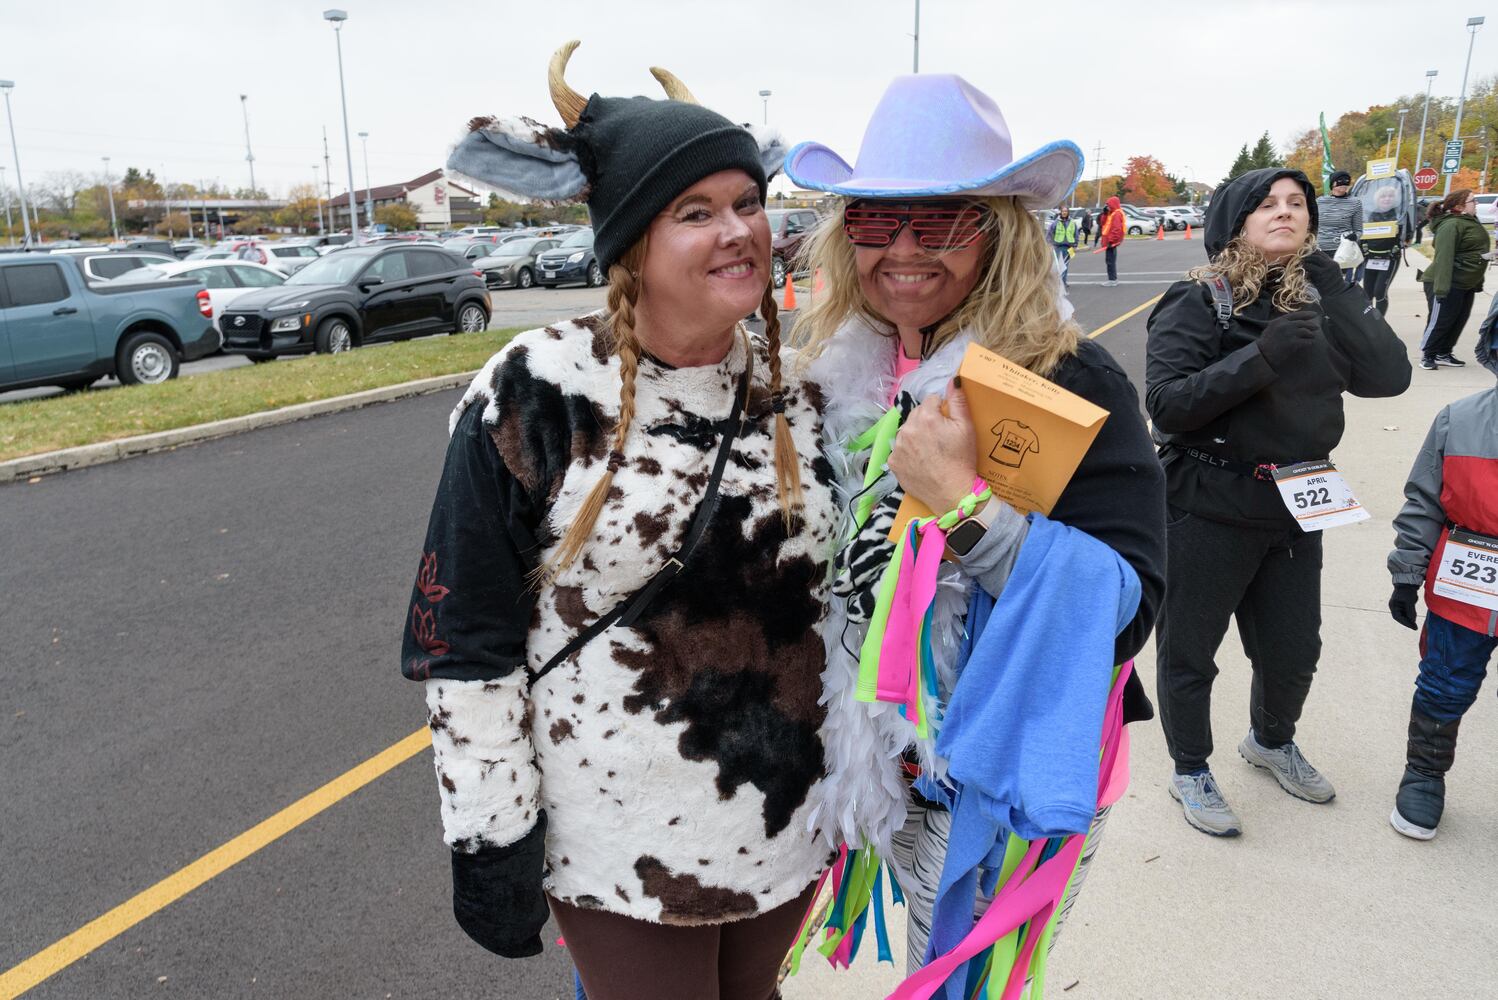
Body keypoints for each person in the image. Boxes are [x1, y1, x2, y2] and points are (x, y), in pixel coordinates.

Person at [405, 42, 843, 1000]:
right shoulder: (538, 389)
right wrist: (491, 832)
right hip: (621, 841)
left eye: (747, 202)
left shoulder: (806, 391)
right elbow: (463, 636)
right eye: (695, 212)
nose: (738, 232)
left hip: (781, 815)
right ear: (629, 241)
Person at [786, 73, 1165, 977]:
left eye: (946, 221)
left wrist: (965, 507)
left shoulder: (1067, 380)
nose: (905, 250)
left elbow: (1128, 606)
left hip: (993, 771)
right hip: (882, 759)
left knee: (957, 978)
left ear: (1001, 234)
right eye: (877, 223)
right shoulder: (843, 371)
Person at [1146, 168, 1411, 837]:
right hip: (1208, 501)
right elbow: (1168, 404)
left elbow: (1389, 377)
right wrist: (1258, 357)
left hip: (1298, 501)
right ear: (1236, 219)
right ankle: (1190, 767)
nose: (1286, 213)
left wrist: (1333, 284)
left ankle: (1269, 741)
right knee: (1190, 652)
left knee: (1294, 650)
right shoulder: (1200, 299)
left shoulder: (1318, 299)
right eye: (1268, 204)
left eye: (1298, 204)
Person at [1386, 326, 1498, 840]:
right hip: (1467, 581)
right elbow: (1425, 501)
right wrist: (1407, 573)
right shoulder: (1461, 419)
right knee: (1445, 679)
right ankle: (1425, 773)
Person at [1418, 188, 1491, 371]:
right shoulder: (1451, 225)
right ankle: (1428, 354)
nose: (1476, 204)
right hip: (1444, 282)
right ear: (1460, 206)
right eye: (1473, 201)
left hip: (1465, 283)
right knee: (1441, 320)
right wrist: (1441, 290)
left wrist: (1477, 280)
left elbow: (1472, 253)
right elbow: (1443, 258)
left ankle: (1444, 352)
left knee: (1459, 319)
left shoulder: (1470, 221)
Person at [1358, 181, 1413, 316]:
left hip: (1389, 258)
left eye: (1390, 196)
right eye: (1383, 196)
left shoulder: (1399, 215)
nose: (1387, 199)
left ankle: (1379, 322)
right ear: (1377, 199)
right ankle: (1368, 321)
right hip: (1370, 257)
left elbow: (1408, 234)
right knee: (1368, 292)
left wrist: (1403, 242)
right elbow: (1362, 235)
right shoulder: (1370, 215)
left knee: (1380, 292)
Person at [1315, 169, 1363, 283]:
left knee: (1340, 287)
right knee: (1322, 287)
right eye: (1340, 182)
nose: (1343, 186)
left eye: (1346, 183)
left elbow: (1359, 230)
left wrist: (1354, 236)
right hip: (1321, 250)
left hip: (1343, 251)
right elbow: (1312, 225)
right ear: (1332, 184)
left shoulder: (1355, 203)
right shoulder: (1320, 202)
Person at [1047, 204, 1080, 285]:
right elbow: (1050, 233)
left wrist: (1075, 244)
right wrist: (1049, 243)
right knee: (1059, 265)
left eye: (1066, 211)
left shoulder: (1072, 222)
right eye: (1063, 211)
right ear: (1060, 212)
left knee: (1065, 265)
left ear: (1068, 212)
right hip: (1059, 246)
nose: (1064, 213)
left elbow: (1076, 234)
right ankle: (1058, 282)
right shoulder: (1056, 222)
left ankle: (1063, 282)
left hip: (1069, 247)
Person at [1098, 195, 1125, 285]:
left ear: (1113, 204)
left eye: (1109, 205)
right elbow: (1102, 223)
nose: (1108, 207)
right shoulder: (1111, 213)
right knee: (1110, 261)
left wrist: (1111, 241)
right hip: (1109, 241)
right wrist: (1104, 214)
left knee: (1110, 261)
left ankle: (1112, 280)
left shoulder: (1117, 214)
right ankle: (1112, 279)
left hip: (1111, 242)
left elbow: (1116, 229)